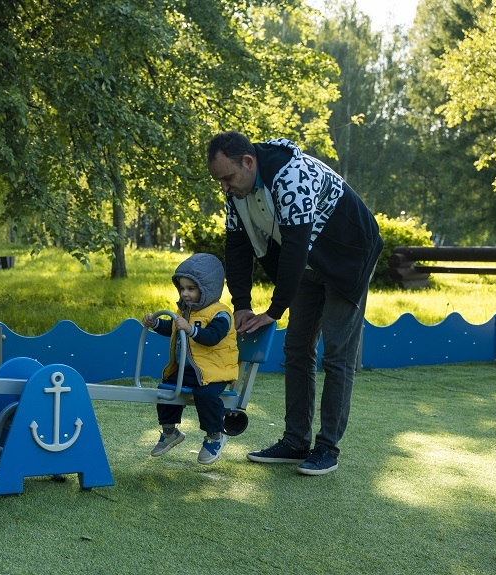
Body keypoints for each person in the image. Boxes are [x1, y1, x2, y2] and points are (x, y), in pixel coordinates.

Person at [206, 131, 383, 475]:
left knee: (337, 352)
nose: (225, 188)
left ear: (248, 162)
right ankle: (295, 441)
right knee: (297, 347)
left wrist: (274, 311)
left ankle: (327, 448)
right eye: (219, 182)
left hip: (349, 256)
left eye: (227, 178)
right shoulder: (236, 191)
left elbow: (295, 246)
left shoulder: (291, 175)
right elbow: (237, 246)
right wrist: (241, 304)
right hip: (308, 260)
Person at [141, 253, 239, 465]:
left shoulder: (220, 314)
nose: (185, 294)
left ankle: (214, 436)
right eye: (182, 288)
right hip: (190, 370)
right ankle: (170, 432)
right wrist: (156, 324)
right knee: (165, 389)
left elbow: (212, 337)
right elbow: (173, 329)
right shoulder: (185, 311)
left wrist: (190, 329)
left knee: (206, 394)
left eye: (191, 289)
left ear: (207, 288)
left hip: (215, 370)